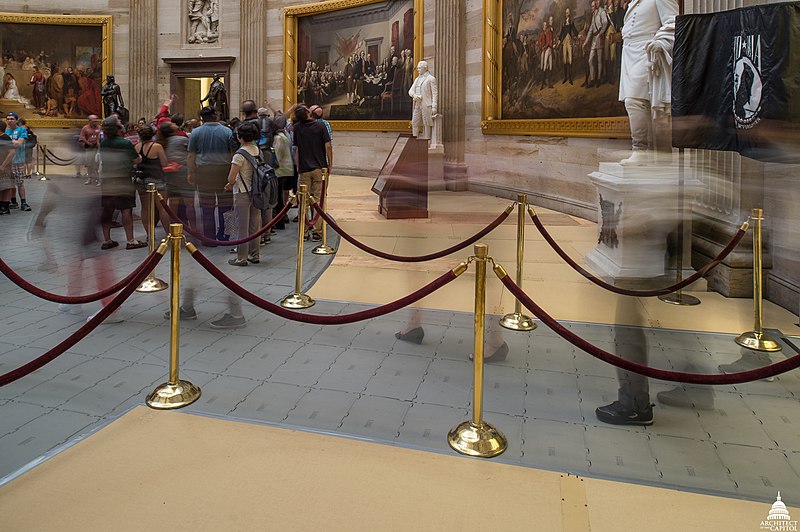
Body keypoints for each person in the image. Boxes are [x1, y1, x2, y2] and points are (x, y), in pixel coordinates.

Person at [618, 0, 679, 164]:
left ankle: (641, 151)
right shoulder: (632, 3)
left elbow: (673, 21)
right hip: (629, 54)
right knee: (632, 102)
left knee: (635, 100)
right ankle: (642, 150)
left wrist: (661, 42)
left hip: (647, 52)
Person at [98, 117, 147, 250]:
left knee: (107, 210)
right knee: (126, 209)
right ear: (117, 128)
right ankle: (130, 240)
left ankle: (107, 240)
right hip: (123, 178)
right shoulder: (125, 143)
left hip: (107, 179)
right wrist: (139, 158)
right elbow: (136, 160)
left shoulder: (104, 143)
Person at [187, 106, 233, 242]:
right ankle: (226, 234)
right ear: (216, 116)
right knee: (225, 205)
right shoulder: (227, 131)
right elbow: (232, 152)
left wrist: (191, 172)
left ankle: (209, 237)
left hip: (204, 171)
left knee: (206, 206)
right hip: (223, 170)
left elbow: (191, 155)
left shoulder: (196, 132)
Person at [224, 122, 262, 266]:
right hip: (257, 191)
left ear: (240, 137)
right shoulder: (257, 150)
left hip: (242, 192)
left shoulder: (239, 155)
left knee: (242, 226)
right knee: (254, 226)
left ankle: (241, 257)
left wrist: (229, 184)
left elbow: (231, 178)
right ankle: (255, 254)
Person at [292, 105, 331, 241]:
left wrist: (298, 167)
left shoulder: (297, 127)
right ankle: (317, 232)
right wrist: (329, 165)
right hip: (319, 167)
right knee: (318, 200)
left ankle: (304, 232)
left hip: (304, 169)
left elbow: (296, 149)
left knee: (303, 201)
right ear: (309, 113)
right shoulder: (321, 126)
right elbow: (327, 147)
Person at [135, 125, 172, 239]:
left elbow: (136, 162)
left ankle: (149, 234)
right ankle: (168, 234)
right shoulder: (157, 147)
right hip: (156, 180)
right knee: (162, 207)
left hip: (142, 179)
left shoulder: (137, 146)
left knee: (145, 208)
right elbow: (164, 163)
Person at [159, 121, 195, 227]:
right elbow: (191, 154)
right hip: (183, 172)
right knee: (189, 204)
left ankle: (173, 228)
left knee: (173, 204)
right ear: (171, 128)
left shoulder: (162, 142)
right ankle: (193, 228)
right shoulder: (182, 139)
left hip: (169, 174)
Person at [4, 112, 31, 212]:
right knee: (10, 183)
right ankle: (13, 201)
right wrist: (13, 142)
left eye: (12, 119)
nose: (9, 120)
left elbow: (19, 144)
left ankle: (23, 202)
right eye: (8, 119)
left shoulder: (22, 130)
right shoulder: (5, 131)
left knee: (19, 182)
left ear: (16, 120)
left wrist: (10, 141)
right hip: (7, 161)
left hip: (18, 160)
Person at [408, 61, 438, 140]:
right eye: (417, 68)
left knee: (426, 124)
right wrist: (415, 96)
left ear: (425, 68)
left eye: (419, 68)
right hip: (417, 104)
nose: (417, 69)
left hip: (426, 105)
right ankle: (414, 141)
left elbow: (435, 94)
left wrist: (434, 106)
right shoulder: (417, 79)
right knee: (415, 122)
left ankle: (427, 142)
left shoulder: (431, 79)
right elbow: (410, 91)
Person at [584, 0, 610, 88]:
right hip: (594, 39)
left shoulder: (602, 12)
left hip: (599, 38)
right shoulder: (594, 14)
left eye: (597, 2)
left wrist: (600, 34)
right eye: (594, 4)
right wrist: (586, 42)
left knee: (599, 60)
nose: (595, 5)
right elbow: (591, 29)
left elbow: (605, 23)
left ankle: (598, 79)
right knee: (590, 60)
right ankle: (592, 79)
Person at [78, 115, 101, 185]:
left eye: (96, 121)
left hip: (98, 148)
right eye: (93, 121)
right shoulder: (85, 128)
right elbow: (82, 137)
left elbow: (102, 136)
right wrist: (87, 142)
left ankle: (98, 178)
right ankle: (90, 178)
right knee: (89, 164)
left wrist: (98, 143)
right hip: (89, 148)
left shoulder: (99, 128)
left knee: (97, 164)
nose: (95, 123)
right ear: (89, 121)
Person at [560, 8, 579, 84]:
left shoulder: (571, 22)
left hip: (569, 42)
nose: (567, 14)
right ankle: (565, 77)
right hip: (564, 42)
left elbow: (574, 30)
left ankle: (570, 78)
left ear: (569, 14)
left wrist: (578, 35)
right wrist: (559, 40)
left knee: (570, 59)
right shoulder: (563, 23)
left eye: (568, 13)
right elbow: (561, 32)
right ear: (565, 14)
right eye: (566, 13)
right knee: (565, 60)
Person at [0, 129, 15, 215]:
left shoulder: (5, 138)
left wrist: (3, 165)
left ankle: (5, 206)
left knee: (6, 186)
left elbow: (11, 152)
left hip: (4, 166)